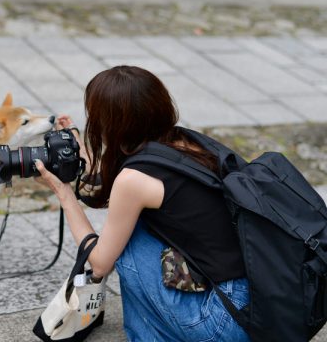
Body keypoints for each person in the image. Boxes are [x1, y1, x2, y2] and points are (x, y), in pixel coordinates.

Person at [34, 66, 250, 342]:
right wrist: (84, 156)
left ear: (107, 123)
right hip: (255, 307)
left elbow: (99, 263)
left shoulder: (134, 180)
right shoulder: (185, 142)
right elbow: (118, 194)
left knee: (124, 245)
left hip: (223, 322)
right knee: (129, 227)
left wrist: (63, 192)